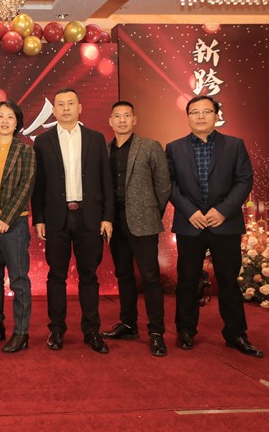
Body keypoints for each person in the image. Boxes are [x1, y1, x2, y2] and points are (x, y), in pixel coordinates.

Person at [166, 95, 262, 357]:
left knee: (229, 281)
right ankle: (186, 331)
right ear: (187, 117)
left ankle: (236, 334)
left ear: (216, 115)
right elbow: (170, 184)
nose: (200, 116)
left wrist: (223, 211)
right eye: (194, 112)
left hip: (225, 223)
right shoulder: (174, 148)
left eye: (206, 111)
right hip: (190, 224)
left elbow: (244, 180)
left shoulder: (234, 145)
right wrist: (190, 212)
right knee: (187, 281)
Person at [31, 88, 113, 354]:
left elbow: (106, 180)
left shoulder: (95, 139)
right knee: (56, 276)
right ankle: (57, 330)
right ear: (54, 110)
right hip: (57, 217)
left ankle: (91, 331)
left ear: (80, 108)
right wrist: (39, 218)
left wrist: (107, 217)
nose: (65, 108)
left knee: (89, 276)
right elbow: (38, 184)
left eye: (70, 103)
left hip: (89, 217)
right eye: (60, 104)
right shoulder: (42, 141)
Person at [99, 101, 171, 357]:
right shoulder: (104, 150)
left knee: (150, 278)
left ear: (134, 120)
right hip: (114, 222)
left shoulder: (150, 146)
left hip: (144, 221)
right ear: (110, 121)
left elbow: (164, 185)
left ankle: (156, 332)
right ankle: (128, 324)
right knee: (123, 275)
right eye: (117, 116)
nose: (122, 120)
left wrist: (151, 212)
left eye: (126, 116)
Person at [0, 100, 36, 353]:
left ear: (17, 122)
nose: (4, 121)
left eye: (10, 117)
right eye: (0, 116)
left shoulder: (25, 151)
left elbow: (26, 186)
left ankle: (21, 332)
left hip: (14, 224)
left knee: (19, 280)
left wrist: (6, 218)